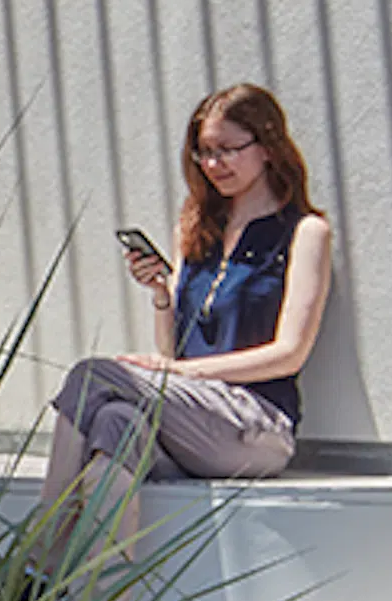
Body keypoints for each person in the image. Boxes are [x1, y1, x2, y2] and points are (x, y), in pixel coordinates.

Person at [38, 83, 332, 507]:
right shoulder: (196, 231)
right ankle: (103, 572)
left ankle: (37, 551)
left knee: (92, 375)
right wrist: (162, 295)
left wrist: (183, 375)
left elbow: (290, 353)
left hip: (255, 423)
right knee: (114, 422)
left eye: (228, 149)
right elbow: (174, 353)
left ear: (268, 146)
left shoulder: (304, 233)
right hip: (195, 416)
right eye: (204, 152)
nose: (214, 164)